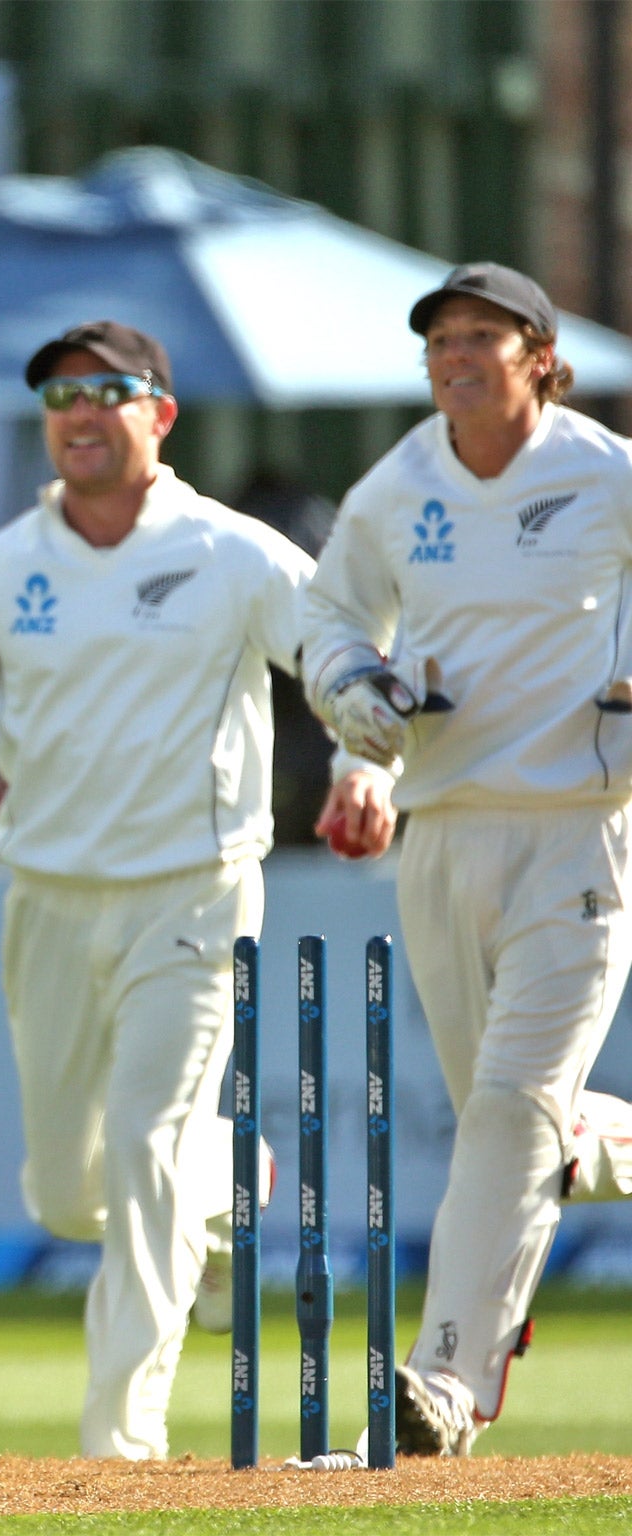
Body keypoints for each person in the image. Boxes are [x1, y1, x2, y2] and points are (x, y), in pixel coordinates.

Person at [0, 322, 321, 1460]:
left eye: (108, 390)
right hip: (45, 897)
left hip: (191, 894)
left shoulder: (231, 553)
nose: (80, 411)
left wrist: (367, 765)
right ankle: (228, 1173)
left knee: (147, 1146)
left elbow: (342, 653)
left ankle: (121, 1441)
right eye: (60, 395)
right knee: (63, 1194)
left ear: (161, 413)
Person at [304, 262, 632, 1456]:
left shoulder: (602, 476)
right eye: (437, 338)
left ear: (539, 356)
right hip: (439, 836)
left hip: (576, 832)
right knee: (515, 1121)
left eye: (480, 336)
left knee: (506, 1109)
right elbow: (331, 617)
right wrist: (357, 734)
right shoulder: (397, 486)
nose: (453, 355)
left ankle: (442, 1381)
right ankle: (584, 1148)